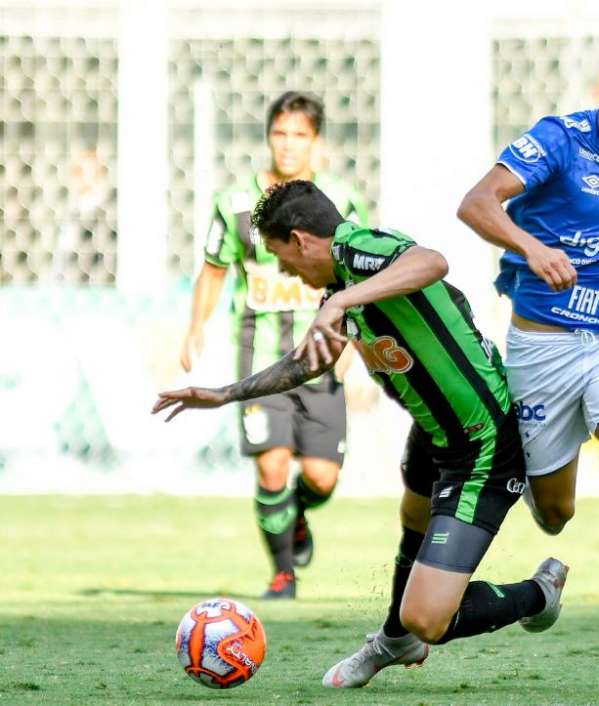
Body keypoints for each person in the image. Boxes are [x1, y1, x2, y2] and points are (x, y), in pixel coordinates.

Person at [155, 180, 568, 689]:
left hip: (482, 447)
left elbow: (432, 262)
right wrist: (224, 394)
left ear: (303, 240)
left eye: (284, 259)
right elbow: (309, 363)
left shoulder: (361, 249)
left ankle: (537, 594)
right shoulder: (340, 290)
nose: (287, 272)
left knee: (429, 619)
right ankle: (394, 641)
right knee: (412, 523)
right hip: (435, 435)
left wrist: (342, 301)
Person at [458, 45, 599, 675]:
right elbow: (476, 203)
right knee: (555, 515)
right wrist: (530, 247)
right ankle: (547, 563)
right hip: (543, 350)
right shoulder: (556, 141)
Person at [179, 91, 369, 599]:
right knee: (272, 463)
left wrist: (356, 344)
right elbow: (214, 270)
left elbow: (360, 278)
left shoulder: (342, 202)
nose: (288, 145)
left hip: (321, 358)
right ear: (268, 137)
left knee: (323, 478)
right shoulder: (235, 203)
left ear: (316, 141)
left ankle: (298, 516)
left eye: (300, 135)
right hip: (261, 358)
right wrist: (196, 326)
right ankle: (283, 574)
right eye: (280, 134)